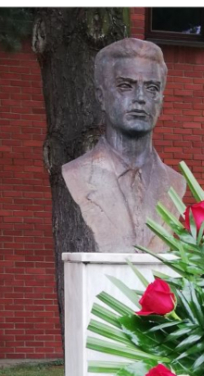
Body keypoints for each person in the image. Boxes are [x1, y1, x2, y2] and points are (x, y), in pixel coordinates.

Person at [61, 38, 184, 253]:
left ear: (161, 100)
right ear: (101, 97)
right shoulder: (77, 174)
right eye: (126, 86)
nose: (140, 98)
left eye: (151, 88)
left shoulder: (175, 184)